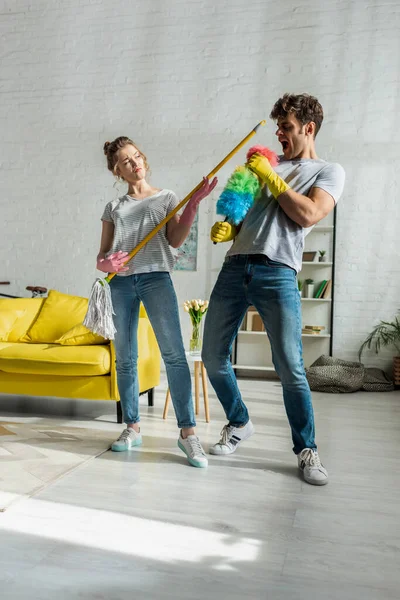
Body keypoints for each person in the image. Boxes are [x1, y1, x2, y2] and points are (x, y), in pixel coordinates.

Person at [202, 93, 345, 485]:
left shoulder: (328, 171)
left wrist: (271, 175)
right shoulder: (263, 165)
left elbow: (308, 214)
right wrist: (228, 229)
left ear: (309, 128)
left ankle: (306, 449)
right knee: (212, 356)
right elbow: (242, 214)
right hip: (235, 267)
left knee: (290, 367)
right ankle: (239, 422)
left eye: (287, 126)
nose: (279, 133)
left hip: (278, 271)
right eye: (278, 126)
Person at [98, 136, 217, 468]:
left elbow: (176, 239)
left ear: (143, 159)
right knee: (125, 358)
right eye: (125, 161)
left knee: (175, 357)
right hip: (120, 285)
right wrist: (108, 265)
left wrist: (192, 205)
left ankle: (187, 434)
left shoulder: (167, 198)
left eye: (136, 156)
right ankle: (132, 427)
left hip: (156, 278)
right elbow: (102, 256)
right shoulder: (114, 207)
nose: (134, 163)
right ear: (117, 171)